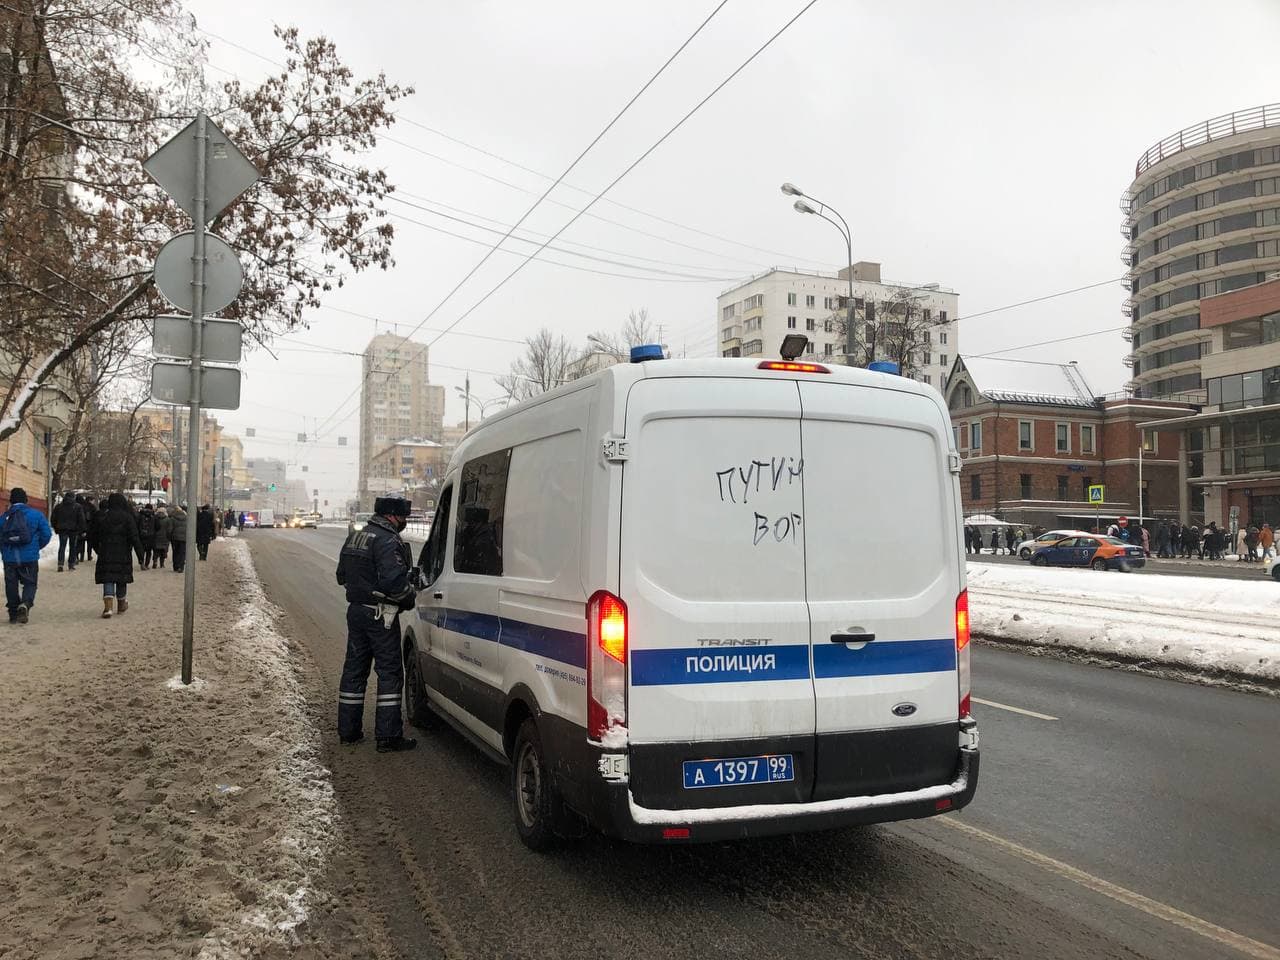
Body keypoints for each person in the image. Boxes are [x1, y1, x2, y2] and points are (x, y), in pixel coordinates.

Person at [335, 496, 418, 753]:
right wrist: (409, 597)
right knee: (390, 672)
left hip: (356, 611)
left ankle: (349, 731)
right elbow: (395, 582)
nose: (404, 522)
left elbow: (341, 575)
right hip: (381, 616)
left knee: (354, 670)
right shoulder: (388, 540)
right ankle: (388, 736)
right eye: (402, 517)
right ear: (391, 516)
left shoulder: (356, 536)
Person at [2, 488, 53, 624]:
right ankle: (25, 604)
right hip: (29, 558)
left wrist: (4, 550)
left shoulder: (4, 517)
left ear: (11, 501)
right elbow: (46, 534)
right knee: (30, 583)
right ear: (26, 500)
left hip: (10, 558)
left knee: (11, 585)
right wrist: (36, 547)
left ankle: (13, 613)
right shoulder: (36, 515)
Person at [91, 493, 144, 618]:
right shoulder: (128, 518)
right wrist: (141, 556)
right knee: (121, 579)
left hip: (106, 553)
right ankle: (121, 605)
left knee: (108, 578)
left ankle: (108, 607)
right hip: (123, 553)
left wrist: (98, 549)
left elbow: (93, 535)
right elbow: (134, 537)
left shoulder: (104, 517)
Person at [51, 491, 85, 572]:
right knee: (73, 547)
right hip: (74, 530)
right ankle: (71, 564)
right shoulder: (77, 506)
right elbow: (81, 519)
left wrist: (56, 528)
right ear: (73, 497)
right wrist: (80, 529)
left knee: (62, 546)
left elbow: (53, 518)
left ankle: (60, 564)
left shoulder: (59, 506)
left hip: (62, 529)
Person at [170, 503, 189, 572]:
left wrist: (169, 536)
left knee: (175, 552)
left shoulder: (172, 518)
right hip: (184, 537)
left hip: (174, 537)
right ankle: (181, 567)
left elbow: (170, 529)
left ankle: (176, 566)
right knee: (182, 552)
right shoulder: (187, 518)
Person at [136, 503, 156, 569]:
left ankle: (141, 563)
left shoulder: (140, 515)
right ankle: (146, 564)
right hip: (150, 535)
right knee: (148, 551)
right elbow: (158, 525)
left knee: (142, 550)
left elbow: (137, 524)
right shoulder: (153, 515)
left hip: (141, 535)